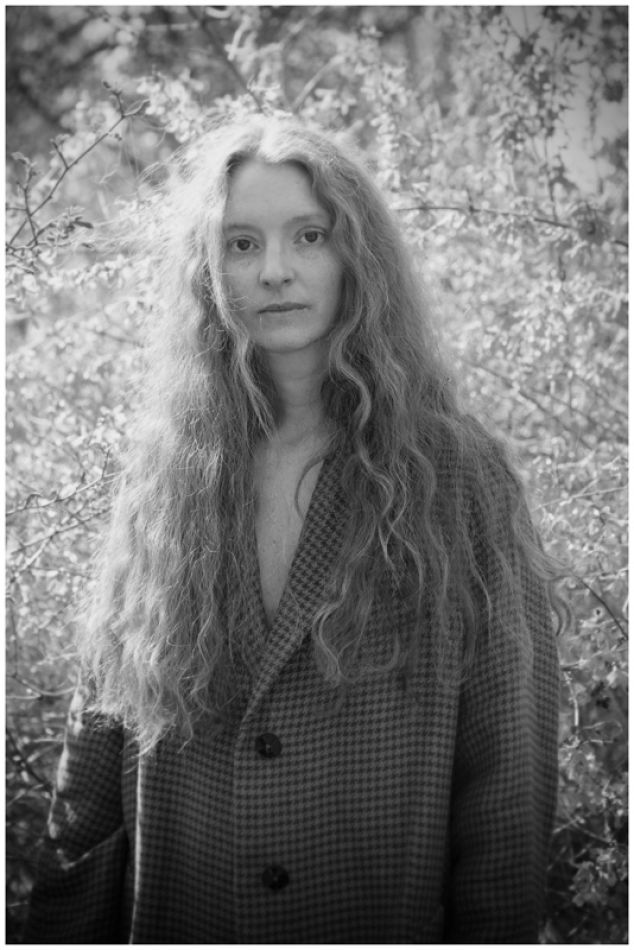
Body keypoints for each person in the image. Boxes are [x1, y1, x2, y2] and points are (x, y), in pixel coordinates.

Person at [25, 115, 563, 944]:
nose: (274, 269)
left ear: (358, 254)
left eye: (309, 235)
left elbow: (508, 777)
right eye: (241, 244)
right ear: (208, 270)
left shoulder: (456, 474)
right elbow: (93, 760)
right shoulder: (168, 472)